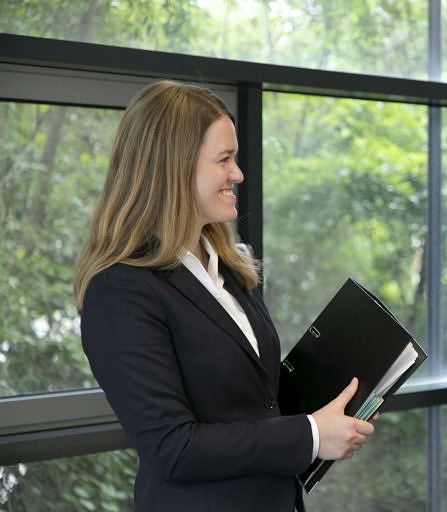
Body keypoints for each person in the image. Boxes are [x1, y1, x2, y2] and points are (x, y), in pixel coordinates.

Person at [74, 80, 374, 512]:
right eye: (224, 159)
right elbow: (171, 447)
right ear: (173, 168)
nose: (239, 173)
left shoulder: (229, 266)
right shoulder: (121, 290)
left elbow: (255, 401)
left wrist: (333, 417)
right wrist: (309, 434)